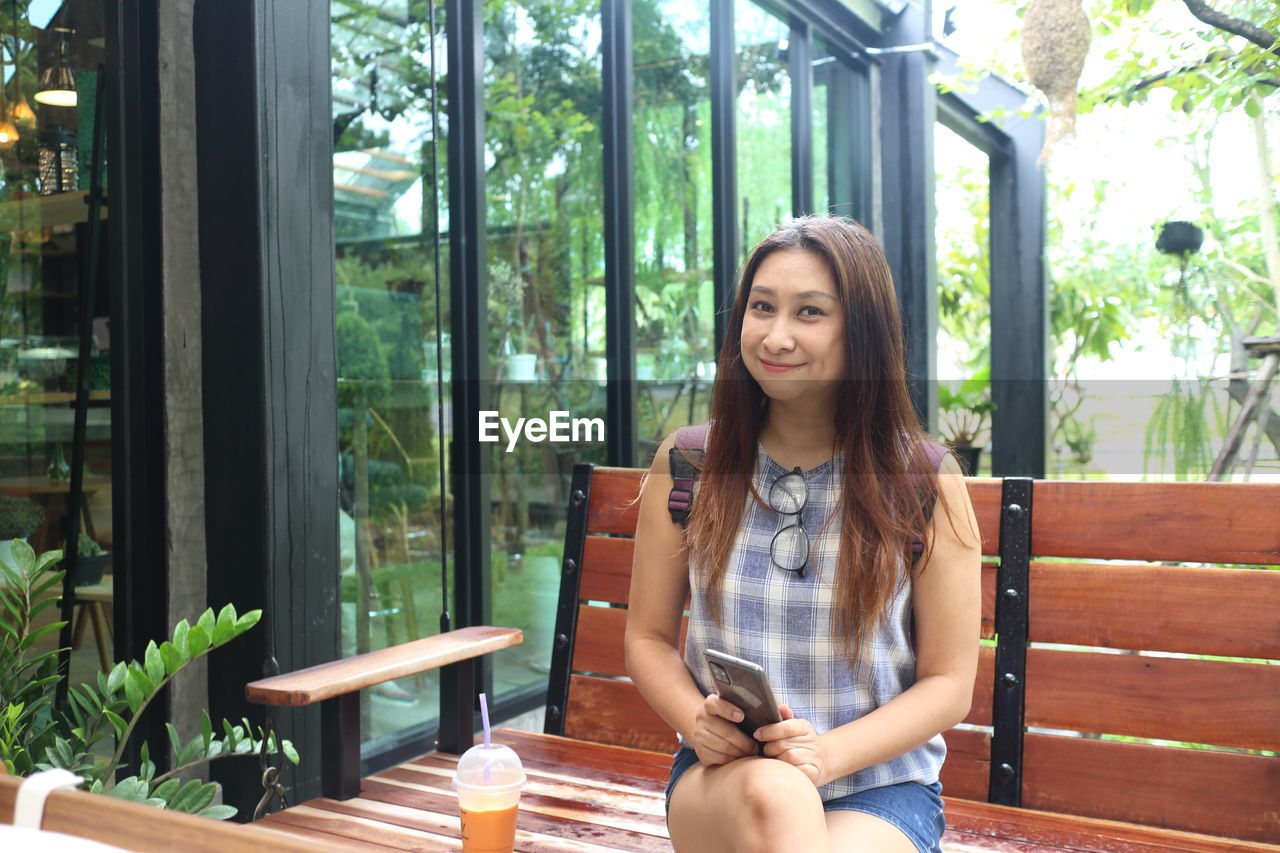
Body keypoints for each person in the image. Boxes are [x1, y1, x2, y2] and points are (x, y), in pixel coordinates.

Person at [624, 216, 981, 853]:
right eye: (762, 308)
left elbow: (949, 684)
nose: (776, 336)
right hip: (725, 781)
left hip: (880, 789)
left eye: (810, 312)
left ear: (862, 334)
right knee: (775, 796)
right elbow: (647, 639)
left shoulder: (924, 481)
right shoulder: (688, 467)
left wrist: (824, 754)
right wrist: (695, 724)